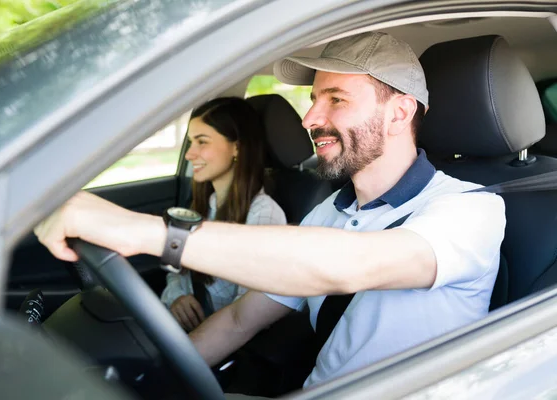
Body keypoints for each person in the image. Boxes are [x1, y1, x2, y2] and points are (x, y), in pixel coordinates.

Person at [35, 32, 506, 392]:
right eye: (313, 99)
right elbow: (241, 320)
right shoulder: (328, 212)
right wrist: (152, 382)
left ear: (400, 113)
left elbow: (349, 265)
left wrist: (148, 233)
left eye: (335, 99)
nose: (309, 119)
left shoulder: (471, 210)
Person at [160, 97, 287, 332]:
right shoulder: (201, 204)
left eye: (202, 142)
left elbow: (243, 315)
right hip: (174, 327)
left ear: (237, 147)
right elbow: (172, 265)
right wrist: (177, 296)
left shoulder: (264, 217)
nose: (189, 154)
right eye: (190, 142)